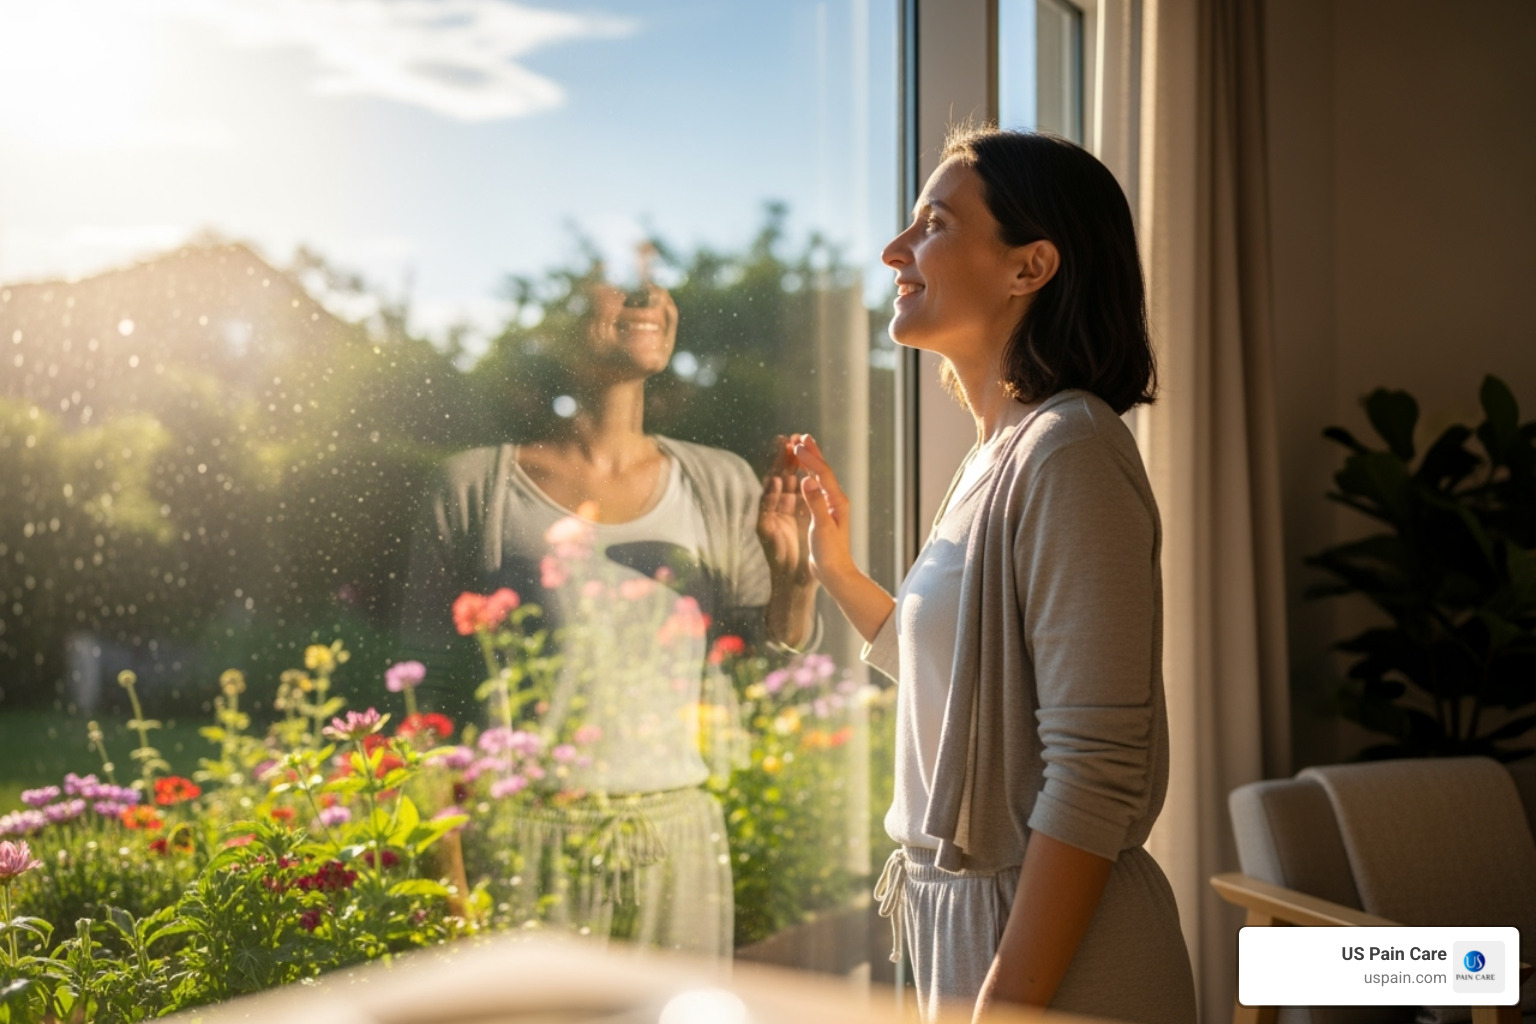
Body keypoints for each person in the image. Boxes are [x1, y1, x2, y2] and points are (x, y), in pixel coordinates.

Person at [784, 126, 1197, 1022]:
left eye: (932, 223)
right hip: (979, 933)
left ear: (1030, 267)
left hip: (1055, 956)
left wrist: (1007, 1004)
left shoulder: (1069, 449)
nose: (895, 250)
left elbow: (1094, 770)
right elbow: (966, 681)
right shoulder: (996, 456)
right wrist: (840, 571)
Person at [401, 253, 819, 958]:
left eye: (657, 279)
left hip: (679, 841)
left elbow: (759, 668)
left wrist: (798, 582)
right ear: (557, 316)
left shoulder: (718, 482)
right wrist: (445, 898)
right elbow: (422, 709)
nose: (645, 292)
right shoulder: (475, 489)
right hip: (524, 846)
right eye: (614, 273)